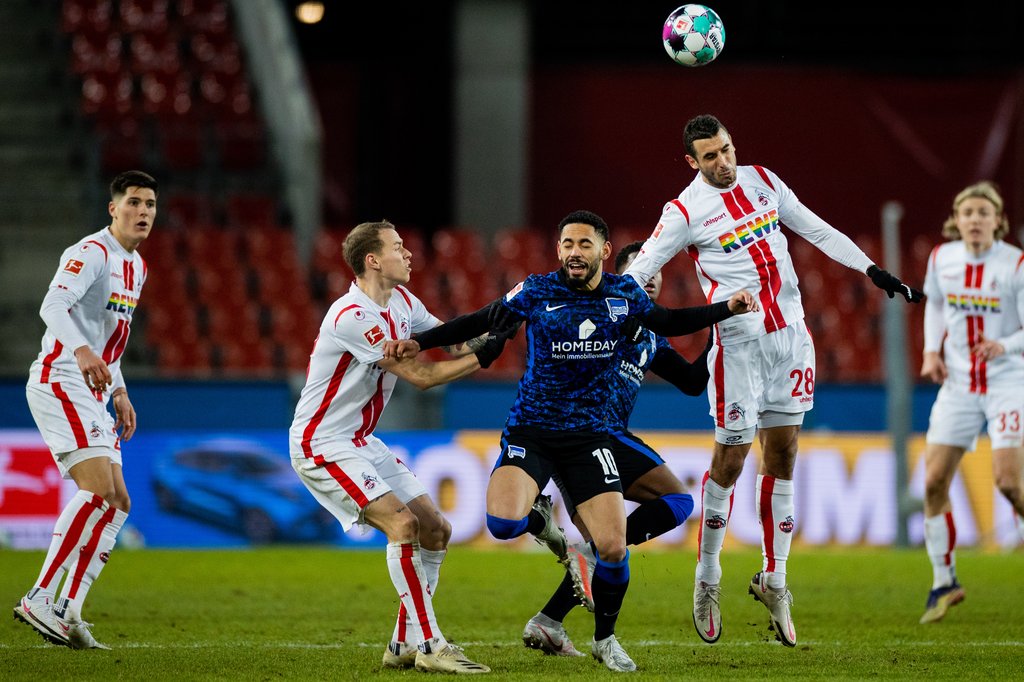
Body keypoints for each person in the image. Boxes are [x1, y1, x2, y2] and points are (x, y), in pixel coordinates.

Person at [387, 210, 757, 672]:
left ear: (602, 251)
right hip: (533, 430)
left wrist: (726, 312)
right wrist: (419, 342)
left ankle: (605, 639)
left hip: (590, 437)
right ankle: (543, 525)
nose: (574, 252)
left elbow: (670, 321)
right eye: (567, 244)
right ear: (558, 249)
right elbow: (478, 318)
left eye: (584, 244)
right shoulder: (537, 290)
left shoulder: (624, 299)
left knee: (614, 548)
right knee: (502, 525)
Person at [624, 114, 924, 648]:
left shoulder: (763, 180)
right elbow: (640, 269)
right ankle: (708, 575)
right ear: (692, 161)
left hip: (791, 337)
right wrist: (615, 302)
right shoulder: (683, 211)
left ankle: (775, 579)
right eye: (710, 156)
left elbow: (815, 227)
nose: (724, 162)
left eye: (727, 149)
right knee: (732, 459)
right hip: (738, 345)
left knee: (783, 455)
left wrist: (872, 270)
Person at [289, 220, 512, 674]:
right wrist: (485, 356)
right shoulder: (352, 316)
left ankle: (400, 645)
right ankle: (430, 644)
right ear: (372, 260)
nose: (408, 254)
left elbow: (452, 342)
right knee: (402, 523)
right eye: (397, 247)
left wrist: (505, 323)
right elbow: (423, 378)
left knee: (436, 529)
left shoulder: (405, 303)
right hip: (320, 443)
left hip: (360, 441)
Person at [521, 240, 711, 658]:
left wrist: (721, 337)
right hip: (583, 434)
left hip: (605, 440)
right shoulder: (602, 314)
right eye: (644, 272)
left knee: (612, 546)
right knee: (636, 529)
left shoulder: (649, 336)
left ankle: (548, 622)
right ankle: (589, 631)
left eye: (658, 272)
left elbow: (694, 383)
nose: (653, 279)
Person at [14, 170, 158, 650]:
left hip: (96, 388)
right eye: (134, 202)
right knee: (97, 491)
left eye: (151, 204)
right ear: (112, 208)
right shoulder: (90, 253)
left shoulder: (137, 267)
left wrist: (119, 390)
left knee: (119, 501)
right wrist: (79, 353)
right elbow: (54, 307)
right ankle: (39, 597)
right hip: (61, 379)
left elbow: (108, 342)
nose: (143, 212)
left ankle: (71, 610)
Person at [918, 181, 1024, 624]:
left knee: (1009, 484)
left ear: (997, 220)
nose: (975, 220)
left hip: (1006, 383)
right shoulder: (942, 259)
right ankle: (944, 581)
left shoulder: (1015, 264)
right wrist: (931, 350)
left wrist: (1005, 346)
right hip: (959, 385)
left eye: (984, 212)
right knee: (933, 482)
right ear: (956, 221)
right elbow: (936, 306)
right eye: (968, 213)